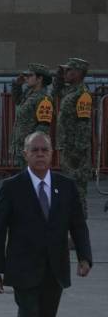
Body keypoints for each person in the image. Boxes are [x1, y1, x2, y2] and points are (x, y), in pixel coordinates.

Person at [0, 132, 93, 317]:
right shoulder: (12, 187)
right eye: (34, 150)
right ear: (25, 153)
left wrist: (84, 257)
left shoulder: (66, 186)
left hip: (54, 269)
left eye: (44, 149)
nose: (39, 154)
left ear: (52, 153)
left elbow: (78, 225)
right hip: (23, 269)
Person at [52, 57, 94, 217]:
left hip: (76, 149)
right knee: (70, 185)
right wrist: (58, 74)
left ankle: (80, 219)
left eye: (69, 70)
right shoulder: (69, 91)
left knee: (78, 187)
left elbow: (84, 125)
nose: (66, 73)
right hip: (66, 146)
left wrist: (78, 150)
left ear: (78, 73)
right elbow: (55, 91)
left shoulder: (82, 94)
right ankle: (74, 218)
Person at [10, 63, 54, 169]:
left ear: (39, 79)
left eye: (30, 76)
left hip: (32, 149)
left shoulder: (44, 99)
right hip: (22, 146)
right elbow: (17, 101)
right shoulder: (29, 93)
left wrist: (34, 149)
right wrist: (17, 85)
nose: (26, 78)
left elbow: (43, 127)